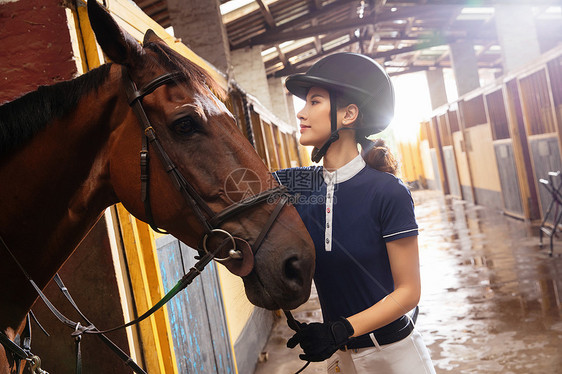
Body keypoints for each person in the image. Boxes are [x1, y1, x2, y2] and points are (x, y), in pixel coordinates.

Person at [274, 52, 435, 373]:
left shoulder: (388, 191)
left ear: (348, 115)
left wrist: (339, 329)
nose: (301, 113)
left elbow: (409, 292)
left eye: (314, 102)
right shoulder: (299, 186)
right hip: (341, 360)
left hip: (394, 357)